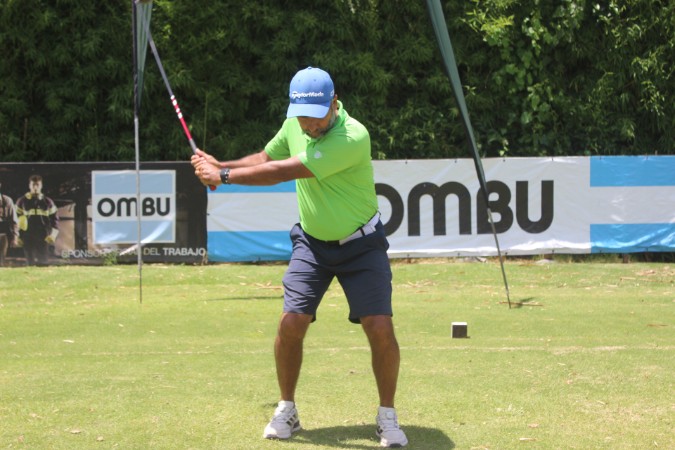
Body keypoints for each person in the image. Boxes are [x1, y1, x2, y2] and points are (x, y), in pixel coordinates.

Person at [192, 67, 408, 447]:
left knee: (379, 327)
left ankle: (387, 416)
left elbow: (283, 171)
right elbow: (265, 157)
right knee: (291, 323)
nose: (309, 124)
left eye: (316, 116)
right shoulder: (295, 124)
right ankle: (287, 409)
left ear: (334, 103)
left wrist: (222, 176)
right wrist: (222, 164)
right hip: (312, 244)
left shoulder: (352, 136)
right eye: (303, 116)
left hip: (362, 245)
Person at [15, 175, 59, 266]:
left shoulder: (48, 202)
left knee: (43, 261)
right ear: (29, 185)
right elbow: (15, 220)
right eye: (33, 185)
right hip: (27, 235)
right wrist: (17, 236)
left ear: (41, 186)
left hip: (43, 235)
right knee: (29, 261)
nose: (35, 187)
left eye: (37, 185)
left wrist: (53, 235)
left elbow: (55, 220)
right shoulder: (21, 201)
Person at [0, 179, 19, 267]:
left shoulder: (7, 200)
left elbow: (14, 220)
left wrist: (15, 237)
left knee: (1, 261)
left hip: (2, 235)